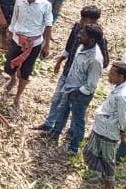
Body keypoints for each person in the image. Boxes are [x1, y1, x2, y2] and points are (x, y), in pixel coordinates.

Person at [35, 6, 109, 135]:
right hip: (68, 71)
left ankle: (72, 132)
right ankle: (49, 124)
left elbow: (104, 62)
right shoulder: (77, 27)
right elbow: (69, 46)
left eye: (84, 19)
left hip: (80, 81)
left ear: (93, 20)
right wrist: (60, 61)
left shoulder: (98, 38)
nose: (81, 21)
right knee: (57, 99)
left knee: (75, 108)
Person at [36, 23, 104, 153]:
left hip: (80, 94)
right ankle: (54, 134)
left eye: (83, 35)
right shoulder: (81, 47)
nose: (79, 36)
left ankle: (73, 147)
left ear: (92, 40)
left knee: (77, 120)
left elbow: (91, 85)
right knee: (62, 111)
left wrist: (77, 91)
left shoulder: (95, 59)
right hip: (70, 87)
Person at [2, 0, 54, 110]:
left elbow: (48, 25)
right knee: (9, 65)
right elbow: (15, 17)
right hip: (17, 38)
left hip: (34, 43)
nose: (29, 0)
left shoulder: (45, 5)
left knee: (26, 71)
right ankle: (12, 78)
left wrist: (47, 44)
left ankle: (18, 96)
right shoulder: (20, 0)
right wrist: (10, 31)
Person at [83, 61, 126, 189]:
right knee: (90, 152)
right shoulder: (123, 87)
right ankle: (99, 175)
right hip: (102, 127)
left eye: (112, 74)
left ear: (120, 77)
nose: (108, 76)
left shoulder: (121, 96)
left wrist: (124, 130)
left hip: (108, 130)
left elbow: (122, 116)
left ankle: (109, 182)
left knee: (107, 159)